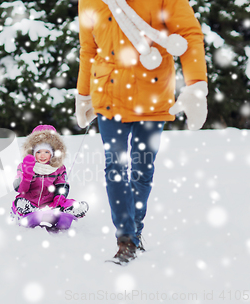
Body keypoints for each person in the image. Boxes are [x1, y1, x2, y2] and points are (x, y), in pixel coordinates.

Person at [75, 0, 208, 263]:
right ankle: (125, 238)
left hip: (153, 95)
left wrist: (196, 84)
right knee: (114, 166)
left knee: (142, 168)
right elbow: (88, 48)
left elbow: (190, 34)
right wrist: (83, 93)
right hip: (108, 94)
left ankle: (134, 230)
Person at [11, 125, 89, 231]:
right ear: (33, 152)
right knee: (20, 202)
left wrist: (58, 201)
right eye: (38, 152)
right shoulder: (24, 166)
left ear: (52, 153)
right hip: (30, 201)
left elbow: (62, 185)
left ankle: (69, 209)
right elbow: (20, 189)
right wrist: (27, 174)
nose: (42, 156)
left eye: (46, 152)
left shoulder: (58, 168)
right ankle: (30, 211)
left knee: (65, 202)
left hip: (51, 203)